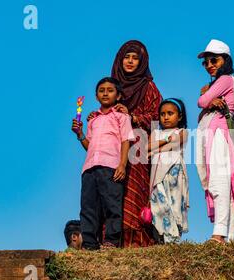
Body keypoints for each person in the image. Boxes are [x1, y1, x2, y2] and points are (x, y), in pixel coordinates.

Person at [89, 40, 162, 247]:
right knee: (109, 191)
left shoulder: (148, 87)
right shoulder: (112, 87)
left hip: (137, 147)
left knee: (133, 192)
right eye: (126, 57)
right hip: (112, 149)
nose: (130, 62)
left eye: (135, 58)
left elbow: (158, 116)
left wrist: (134, 117)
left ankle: (137, 242)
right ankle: (109, 240)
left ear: (142, 62)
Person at [72, 77, 135, 250]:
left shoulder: (121, 117)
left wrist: (122, 164)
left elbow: (125, 141)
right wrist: (80, 134)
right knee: (88, 207)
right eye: (101, 90)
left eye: (110, 90)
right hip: (90, 168)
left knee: (112, 205)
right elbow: (89, 146)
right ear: (96, 96)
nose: (105, 93)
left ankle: (111, 241)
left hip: (111, 166)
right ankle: (90, 243)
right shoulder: (93, 119)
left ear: (118, 96)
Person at [195, 39, 234, 244]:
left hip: (219, 135)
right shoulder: (221, 83)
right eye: (206, 62)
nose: (209, 65)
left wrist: (206, 95)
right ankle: (229, 237)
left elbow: (201, 102)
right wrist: (209, 96)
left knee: (219, 183)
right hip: (217, 134)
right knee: (224, 185)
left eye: (214, 60)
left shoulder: (225, 80)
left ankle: (218, 235)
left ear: (225, 60)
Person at [148, 98, 189, 243]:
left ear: (179, 116)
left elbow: (174, 144)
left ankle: (173, 239)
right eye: (162, 114)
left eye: (170, 113)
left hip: (174, 173)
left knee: (175, 205)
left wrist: (155, 150)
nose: (165, 117)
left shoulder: (182, 131)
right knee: (159, 205)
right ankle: (164, 237)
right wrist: (166, 140)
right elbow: (147, 146)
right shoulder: (156, 133)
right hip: (157, 175)